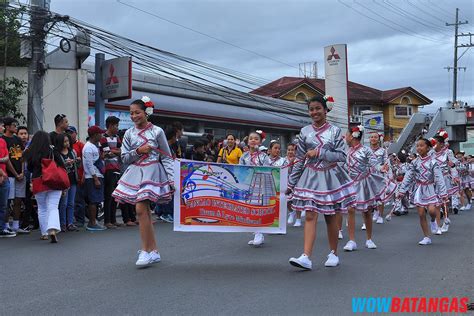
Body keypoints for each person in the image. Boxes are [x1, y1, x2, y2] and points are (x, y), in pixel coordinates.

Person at [287, 95, 356, 270]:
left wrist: (319, 153)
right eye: (311, 109)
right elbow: (300, 159)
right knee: (310, 214)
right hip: (310, 177)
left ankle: (333, 253)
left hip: (329, 176)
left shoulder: (335, 131)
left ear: (326, 109)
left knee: (330, 216)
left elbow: (341, 156)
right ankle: (306, 256)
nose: (314, 112)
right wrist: (291, 183)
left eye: (318, 108)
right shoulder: (304, 132)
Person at [112, 97, 174, 267]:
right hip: (136, 172)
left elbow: (167, 157)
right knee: (144, 211)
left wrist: (172, 179)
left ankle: (145, 251)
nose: (133, 116)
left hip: (153, 172)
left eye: (137, 112)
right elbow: (124, 157)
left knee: (140, 209)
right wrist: (139, 150)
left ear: (146, 112)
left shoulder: (157, 131)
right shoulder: (129, 133)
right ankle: (153, 251)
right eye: (131, 113)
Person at [342, 125, 396, 252]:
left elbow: (374, 163)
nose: (345, 137)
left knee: (366, 211)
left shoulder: (366, 150)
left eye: (347, 135)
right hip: (351, 183)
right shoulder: (346, 151)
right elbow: (344, 166)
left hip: (364, 182)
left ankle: (369, 239)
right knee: (350, 209)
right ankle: (351, 240)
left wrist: (381, 168)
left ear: (353, 136)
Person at [398, 138, 448, 245]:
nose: (419, 148)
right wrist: (402, 190)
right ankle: (426, 237)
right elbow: (408, 176)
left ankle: (433, 220)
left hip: (431, 188)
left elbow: (439, 178)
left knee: (431, 211)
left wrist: (443, 193)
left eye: (421, 146)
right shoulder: (414, 162)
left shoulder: (433, 162)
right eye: (417, 146)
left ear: (428, 148)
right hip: (419, 189)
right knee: (421, 214)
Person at [25, 131, 64, 243]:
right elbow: (61, 165)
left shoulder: (32, 152)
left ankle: (44, 233)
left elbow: (30, 169)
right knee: (53, 206)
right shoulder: (53, 150)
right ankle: (52, 229)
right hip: (53, 181)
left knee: (42, 208)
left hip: (38, 181)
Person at [239, 130, 269, 246]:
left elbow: (267, 170)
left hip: (260, 185)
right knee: (250, 208)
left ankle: (259, 233)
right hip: (247, 185)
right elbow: (240, 170)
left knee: (258, 207)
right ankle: (257, 232)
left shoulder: (263, 156)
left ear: (260, 142)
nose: (253, 140)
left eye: (256, 139)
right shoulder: (244, 156)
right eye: (251, 138)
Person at [1, 117, 29, 234]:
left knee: (18, 200)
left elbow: (22, 156)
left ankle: (16, 225)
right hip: (9, 174)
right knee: (7, 201)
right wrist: (16, 173)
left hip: (20, 174)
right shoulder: (3, 140)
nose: (15, 127)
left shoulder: (17, 139)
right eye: (13, 125)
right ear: (7, 127)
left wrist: (22, 171)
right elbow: (7, 161)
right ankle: (6, 225)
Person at [100, 116, 123, 228]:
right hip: (107, 170)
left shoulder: (117, 137)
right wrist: (115, 152)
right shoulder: (103, 137)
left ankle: (113, 220)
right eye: (116, 125)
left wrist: (113, 152)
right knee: (108, 196)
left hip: (117, 168)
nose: (117, 128)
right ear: (110, 125)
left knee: (115, 196)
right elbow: (106, 153)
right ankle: (107, 221)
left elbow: (121, 151)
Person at [83, 125, 107, 231]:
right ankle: (92, 222)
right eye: (100, 133)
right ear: (95, 135)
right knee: (93, 200)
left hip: (97, 175)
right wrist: (95, 178)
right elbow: (89, 164)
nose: (101, 135)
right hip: (93, 177)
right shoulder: (88, 147)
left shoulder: (93, 146)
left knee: (96, 200)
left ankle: (94, 221)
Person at [54, 133, 79, 232]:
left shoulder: (72, 152)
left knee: (71, 203)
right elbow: (57, 166)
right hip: (63, 180)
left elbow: (78, 166)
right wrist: (66, 163)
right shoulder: (56, 153)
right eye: (64, 141)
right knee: (63, 203)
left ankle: (70, 223)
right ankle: (62, 223)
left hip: (72, 179)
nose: (67, 143)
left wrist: (77, 161)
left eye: (68, 141)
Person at [155, 126, 177, 223]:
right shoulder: (164, 147)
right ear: (173, 136)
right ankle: (166, 213)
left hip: (167, 171)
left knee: (164, 192)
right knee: (168, 192)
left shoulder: (169, 147)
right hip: (164, 172)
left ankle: (160, 212)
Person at [368, 132, 391, 224]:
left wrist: (385, 167)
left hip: (379, 175)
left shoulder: (383, 151)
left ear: (379, 139)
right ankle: (369, 217)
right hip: (368, 175)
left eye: (375, 137)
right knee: (369, 197)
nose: (373, 139)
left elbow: (386, 162)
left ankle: (380, 215)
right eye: (371, 137)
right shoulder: (366, 150)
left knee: (380, 197)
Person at [67, 126, 86, 227]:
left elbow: (84, 161)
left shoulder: (80, 145)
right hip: (68, 177)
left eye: (71, 132)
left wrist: (83, 175)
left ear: (76, 133)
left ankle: (80, 220)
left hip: (78, 176)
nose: (70, 135)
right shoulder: (65, 146)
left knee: (78, 200)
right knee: (69, 202)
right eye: (68, 133)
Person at [0, 118, 15, 237]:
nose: (3, 127)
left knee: (4, 204)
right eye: (1, 125)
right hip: (3, 175)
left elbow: (7, 158)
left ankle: (3, 227)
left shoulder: (2, 141)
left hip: (4, 177)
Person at [284, 143, 303, 227]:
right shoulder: (283, 160)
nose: (290, 152)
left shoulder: (298, 160)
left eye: (292, 150)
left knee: (297, 200)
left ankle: (298, 219)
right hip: (286, 182)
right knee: (287, 200)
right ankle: (291, 212)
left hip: (297, 183)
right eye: (289, 150)